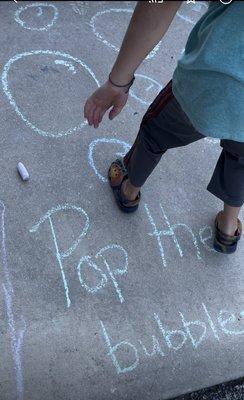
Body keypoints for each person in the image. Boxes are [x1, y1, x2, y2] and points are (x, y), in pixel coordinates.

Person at [84, 1, 244, 254]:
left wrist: (118, 83)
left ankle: (129, 190)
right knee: (240, 156)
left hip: (213, 83)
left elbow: (157, 6)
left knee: (156, 132)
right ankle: (228, 227)